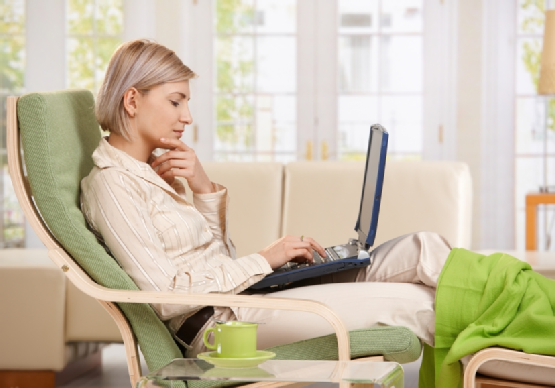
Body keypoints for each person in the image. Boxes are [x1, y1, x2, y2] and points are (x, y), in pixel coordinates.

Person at [80, 39, 452, 358]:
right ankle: (506, 345)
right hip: (223, 326)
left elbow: (217, 259)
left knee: (423, 248)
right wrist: (263, 260)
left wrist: (203, 188)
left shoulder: (158, 170)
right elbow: (164, 297)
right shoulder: (112, 185)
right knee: (417, 302)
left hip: (245, 297)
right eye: (176, 102)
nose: (188, 117)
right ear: (132, 100)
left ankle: (510, 307)